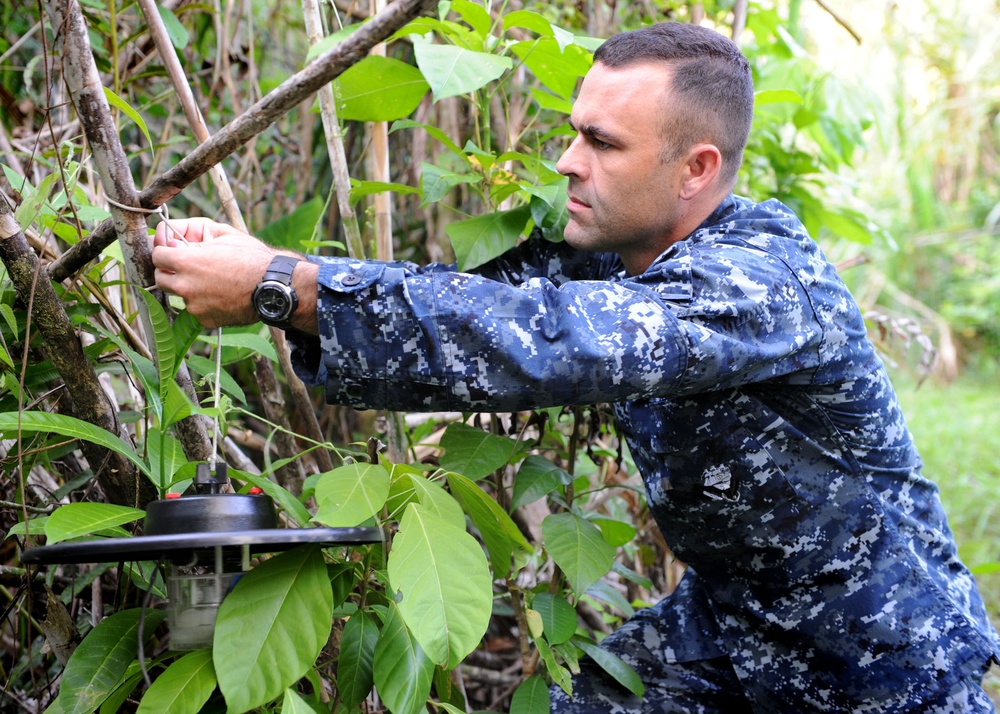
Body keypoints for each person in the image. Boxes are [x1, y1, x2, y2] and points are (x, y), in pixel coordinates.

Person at [152, 21, 999, 713]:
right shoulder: (618, 256)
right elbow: (463, 313)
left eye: (602, 141)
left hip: (881, 661)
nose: (567, 160)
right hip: (734, 628)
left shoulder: (762, 280)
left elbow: (551, 340)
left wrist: (278, 289)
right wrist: (264, 265)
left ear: (696, 169)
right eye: (573, 132)